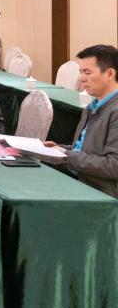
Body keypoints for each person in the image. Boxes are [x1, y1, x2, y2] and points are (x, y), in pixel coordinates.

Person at [45, 45, 118, 197]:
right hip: (78, 178)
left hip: (100, 192)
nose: (81, 78)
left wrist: (67, 155)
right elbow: (86, 151)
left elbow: (113, 166)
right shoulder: (93, 106)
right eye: (81, 72)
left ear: (110, 74)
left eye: (87, 72)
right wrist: (60, 149)